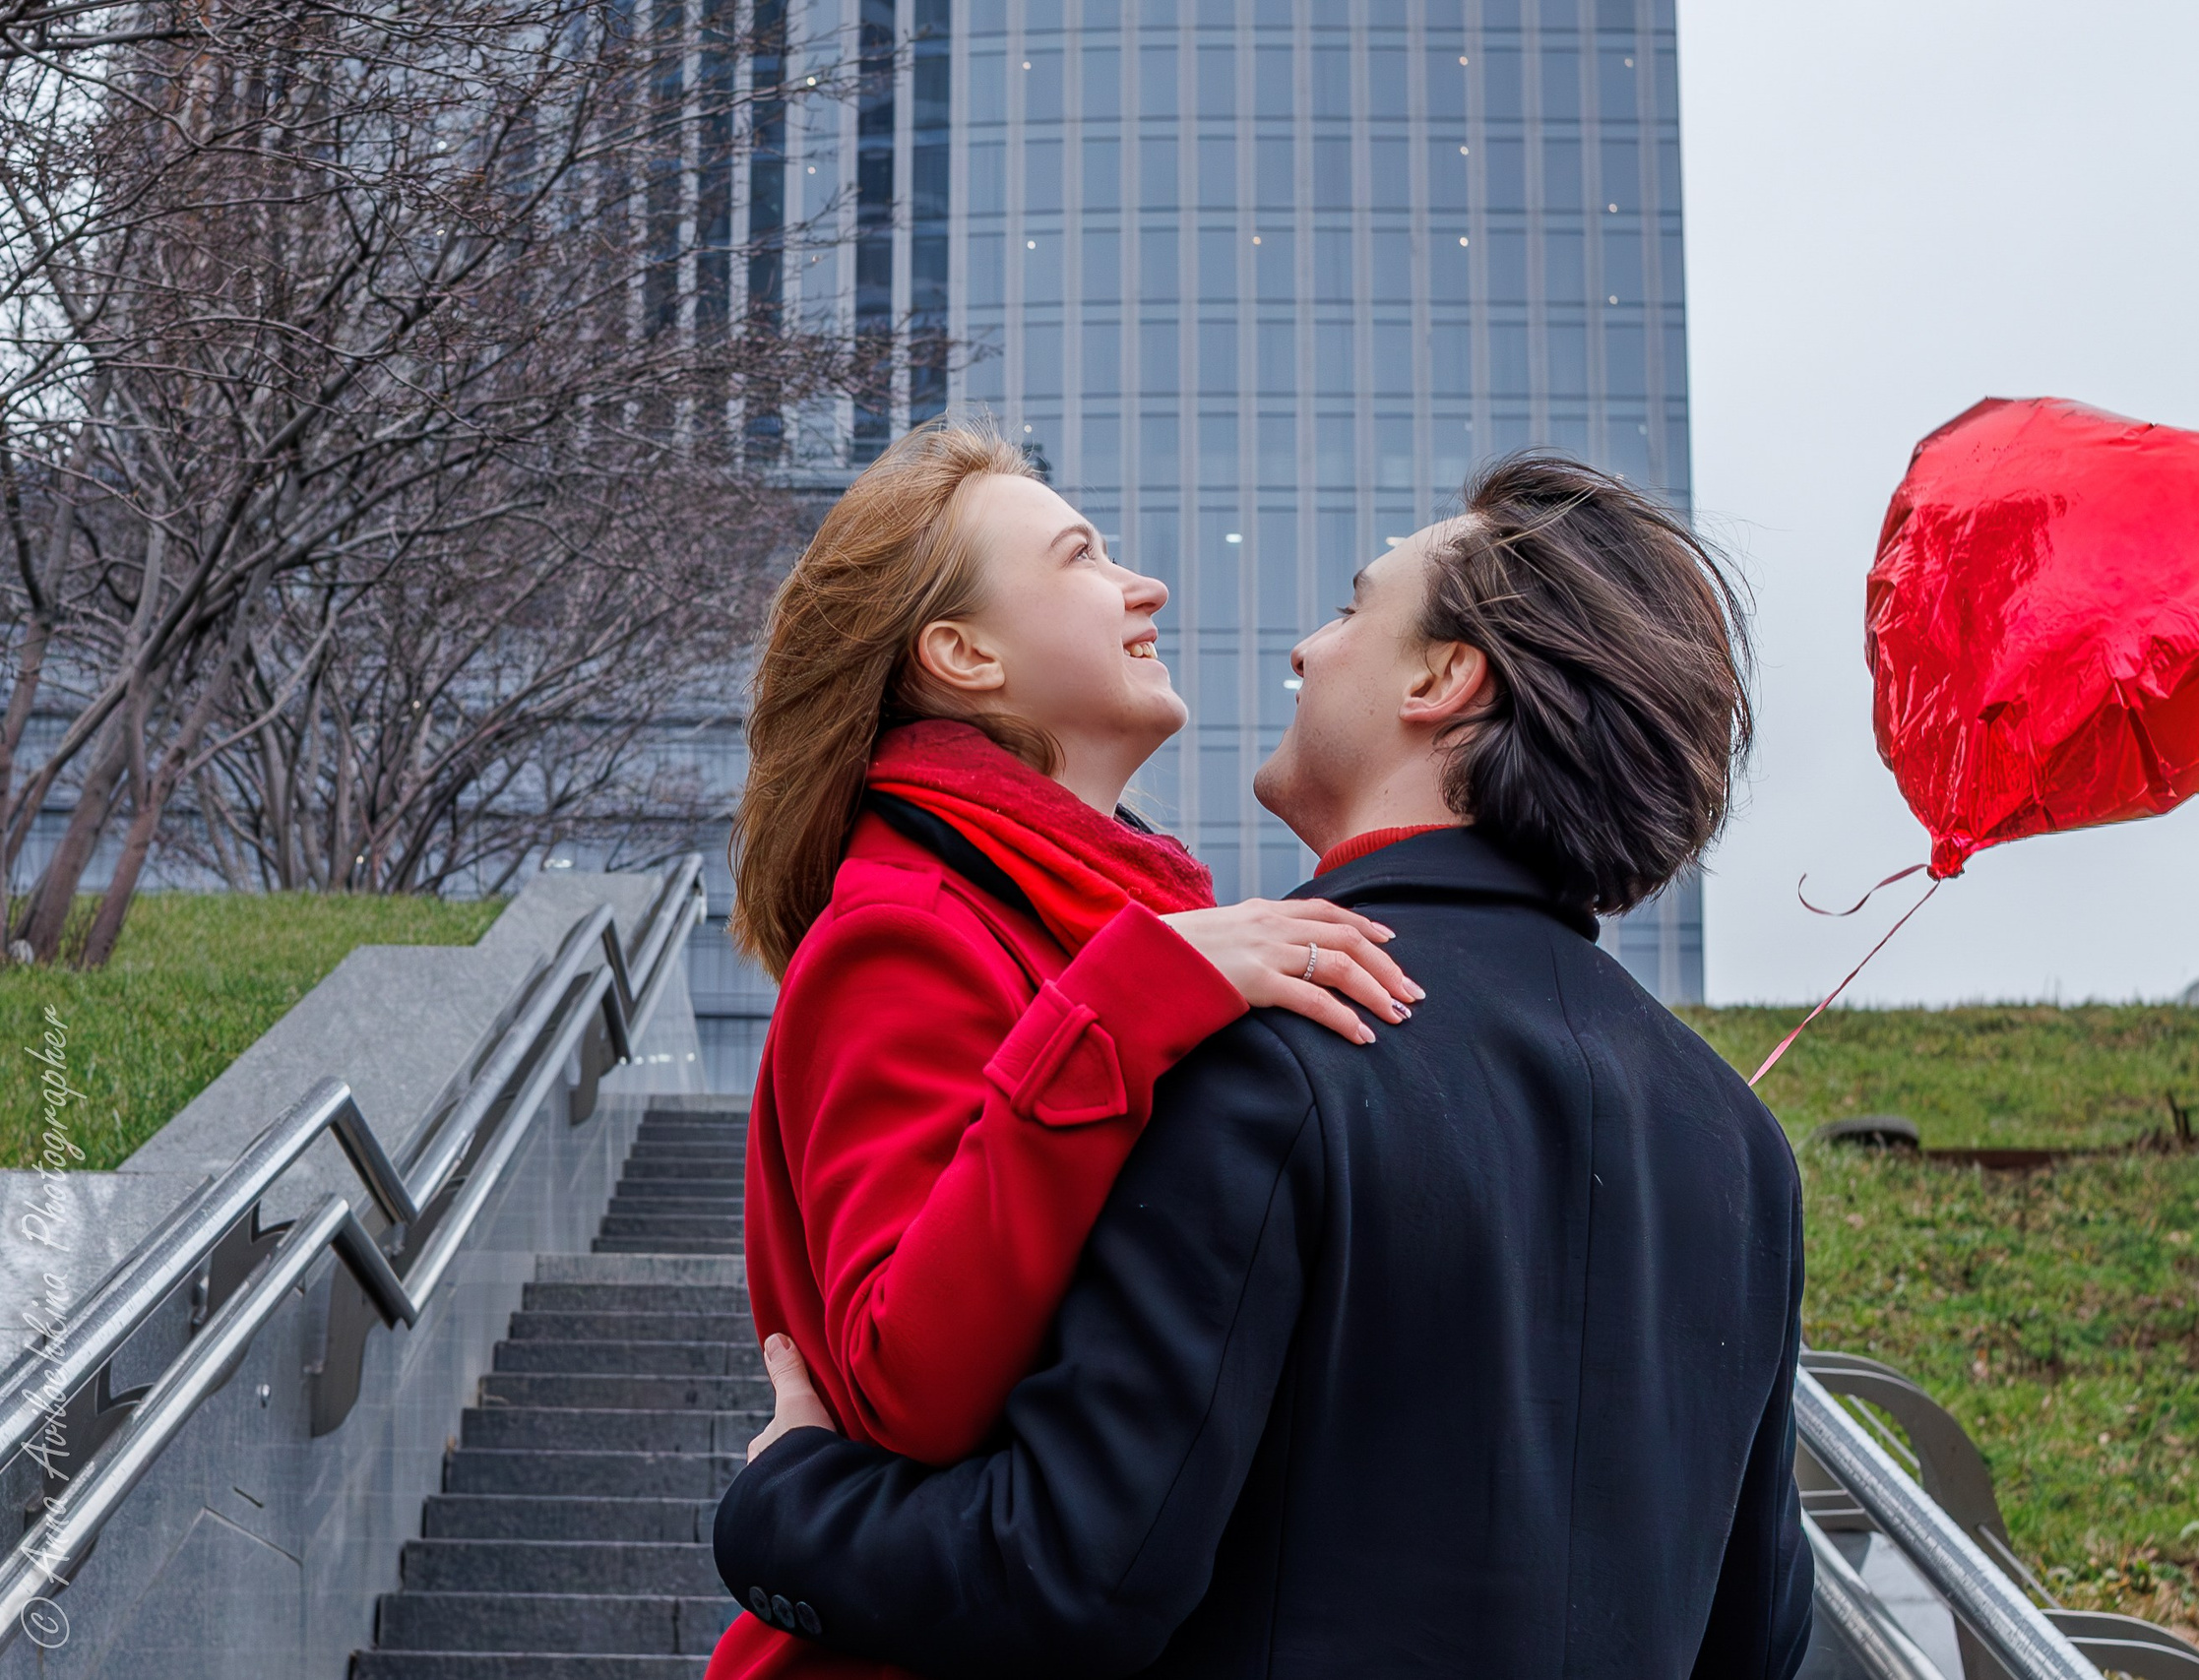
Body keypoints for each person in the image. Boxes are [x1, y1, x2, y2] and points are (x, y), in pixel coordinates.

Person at [713, 452, 1815, 1679]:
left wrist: (786, 1501)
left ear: (1441, 680)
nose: (1301, 647)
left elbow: (1074, 1567)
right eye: (1081, 557)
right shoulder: (1742, 1147)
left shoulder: (1269, 1057)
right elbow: (1760, 1638)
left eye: (1349, 609)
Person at [704, 416, 1422, 1680]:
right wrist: (1130, 1002)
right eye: (1082, 556)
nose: (1145, 587)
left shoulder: (1094, 922)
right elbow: (907, 1381)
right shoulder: (903, 931)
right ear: (962, 653)